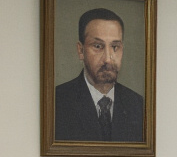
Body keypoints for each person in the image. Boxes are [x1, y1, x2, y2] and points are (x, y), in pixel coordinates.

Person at [55, 8, 144, 142]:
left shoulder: (138, 105)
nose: (108, 58)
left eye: (115, 47)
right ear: (81, 50)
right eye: (97, 46)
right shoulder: (57, 102)